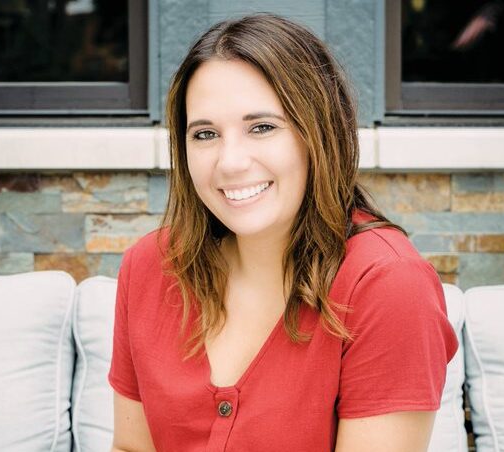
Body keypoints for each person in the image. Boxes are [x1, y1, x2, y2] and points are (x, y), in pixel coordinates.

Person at [108, 13, 458, 452]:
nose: (230, 162)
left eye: (262, 127)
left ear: (319, 132)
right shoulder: (150, 266)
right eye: (205, 134)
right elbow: (131, 447)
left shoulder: (388, 284)